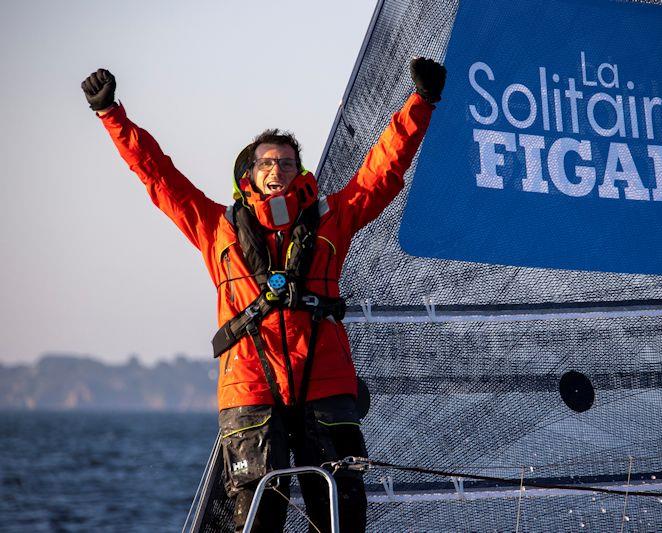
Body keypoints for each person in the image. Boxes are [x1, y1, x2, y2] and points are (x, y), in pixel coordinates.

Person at [81, 58, 446, 532]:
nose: (279, 169)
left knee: (342, 513)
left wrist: (422, 102)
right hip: (251, 388)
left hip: (326, 385)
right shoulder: (216, 228)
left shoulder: (333, 217)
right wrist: (111, 113)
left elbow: (383, 170)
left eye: (288, 162)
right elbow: (158, 176)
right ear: (248, 174)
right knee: (256, 517)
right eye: (267, 162)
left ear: (300, 173)